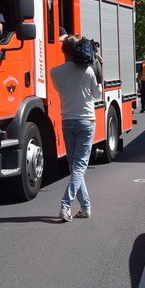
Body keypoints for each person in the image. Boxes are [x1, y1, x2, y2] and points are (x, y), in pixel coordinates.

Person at [50, 34, 102, 222]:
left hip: (67, 121)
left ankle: (86, 207)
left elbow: (59, 90)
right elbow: (97, 95)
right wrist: (98, 69)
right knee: (79, 167)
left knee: (74, 167)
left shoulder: (54, 72)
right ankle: (66, 206)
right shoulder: (88, 71)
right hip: (87, 122)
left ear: (63, 51)